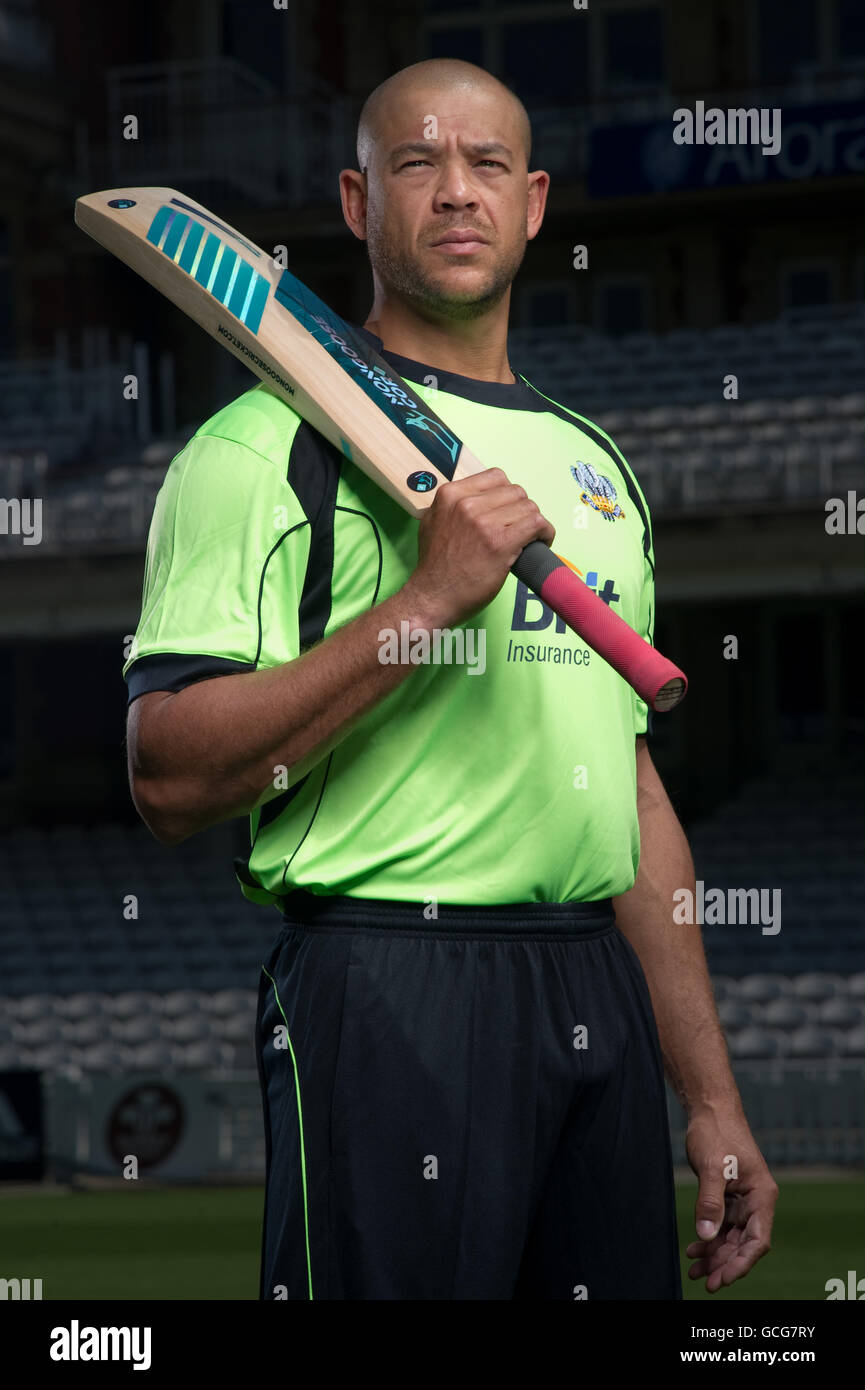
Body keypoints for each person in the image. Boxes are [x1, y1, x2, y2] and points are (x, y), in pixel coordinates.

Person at [124, 58, 778, 1300]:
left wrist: (710, 1098)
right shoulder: (260, 447)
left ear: (533, 204)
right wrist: (425, 601)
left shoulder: (595, 466)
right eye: (417, 164)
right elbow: (169, 774)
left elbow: (627, 792)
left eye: (486, 165)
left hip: (593, 982)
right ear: (358, 203)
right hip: (387, 987)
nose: (457, 192)